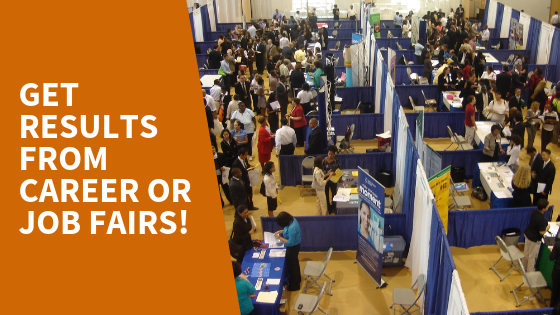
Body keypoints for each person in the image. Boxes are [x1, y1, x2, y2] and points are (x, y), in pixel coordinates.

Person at [274, 211, 302, 291]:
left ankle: (295, 285)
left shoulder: (292, 228)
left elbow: (290, 242)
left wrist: (280, 238)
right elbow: (286, 228)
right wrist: (281, 231)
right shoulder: (292, 220)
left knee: (293, 266)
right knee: (295, 263)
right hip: (294, 245)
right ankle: (298, 279)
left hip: (293, 247)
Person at [522, 199, 550, 273]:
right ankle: (530, 271)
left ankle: (523, 267)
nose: (548, 207)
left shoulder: (534, 211)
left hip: (528, 234)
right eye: (547, 206)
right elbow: (541, 232)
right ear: (544, 208)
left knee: (526, 252)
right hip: (534, 239)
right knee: (532, 256)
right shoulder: (542, 220)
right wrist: (547, 228)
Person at [323, 145, 340, 214]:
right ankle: (328, 208)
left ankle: (334, 207)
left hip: (334, 180)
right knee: (326, 194)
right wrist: (328, 173)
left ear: (334, 154)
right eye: (329, 154)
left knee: (334, 194)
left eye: (331, 154)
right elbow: (322, 172)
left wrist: (339, 177)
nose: (330, 155)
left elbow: (339, 169)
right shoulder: (324, 161)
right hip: (326, 180)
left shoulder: (336, 159)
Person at [550, 239, 560, 309]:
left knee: (555, 291)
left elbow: (551, 258)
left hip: (557, 271)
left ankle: (552, 308)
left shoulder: (558, 244)